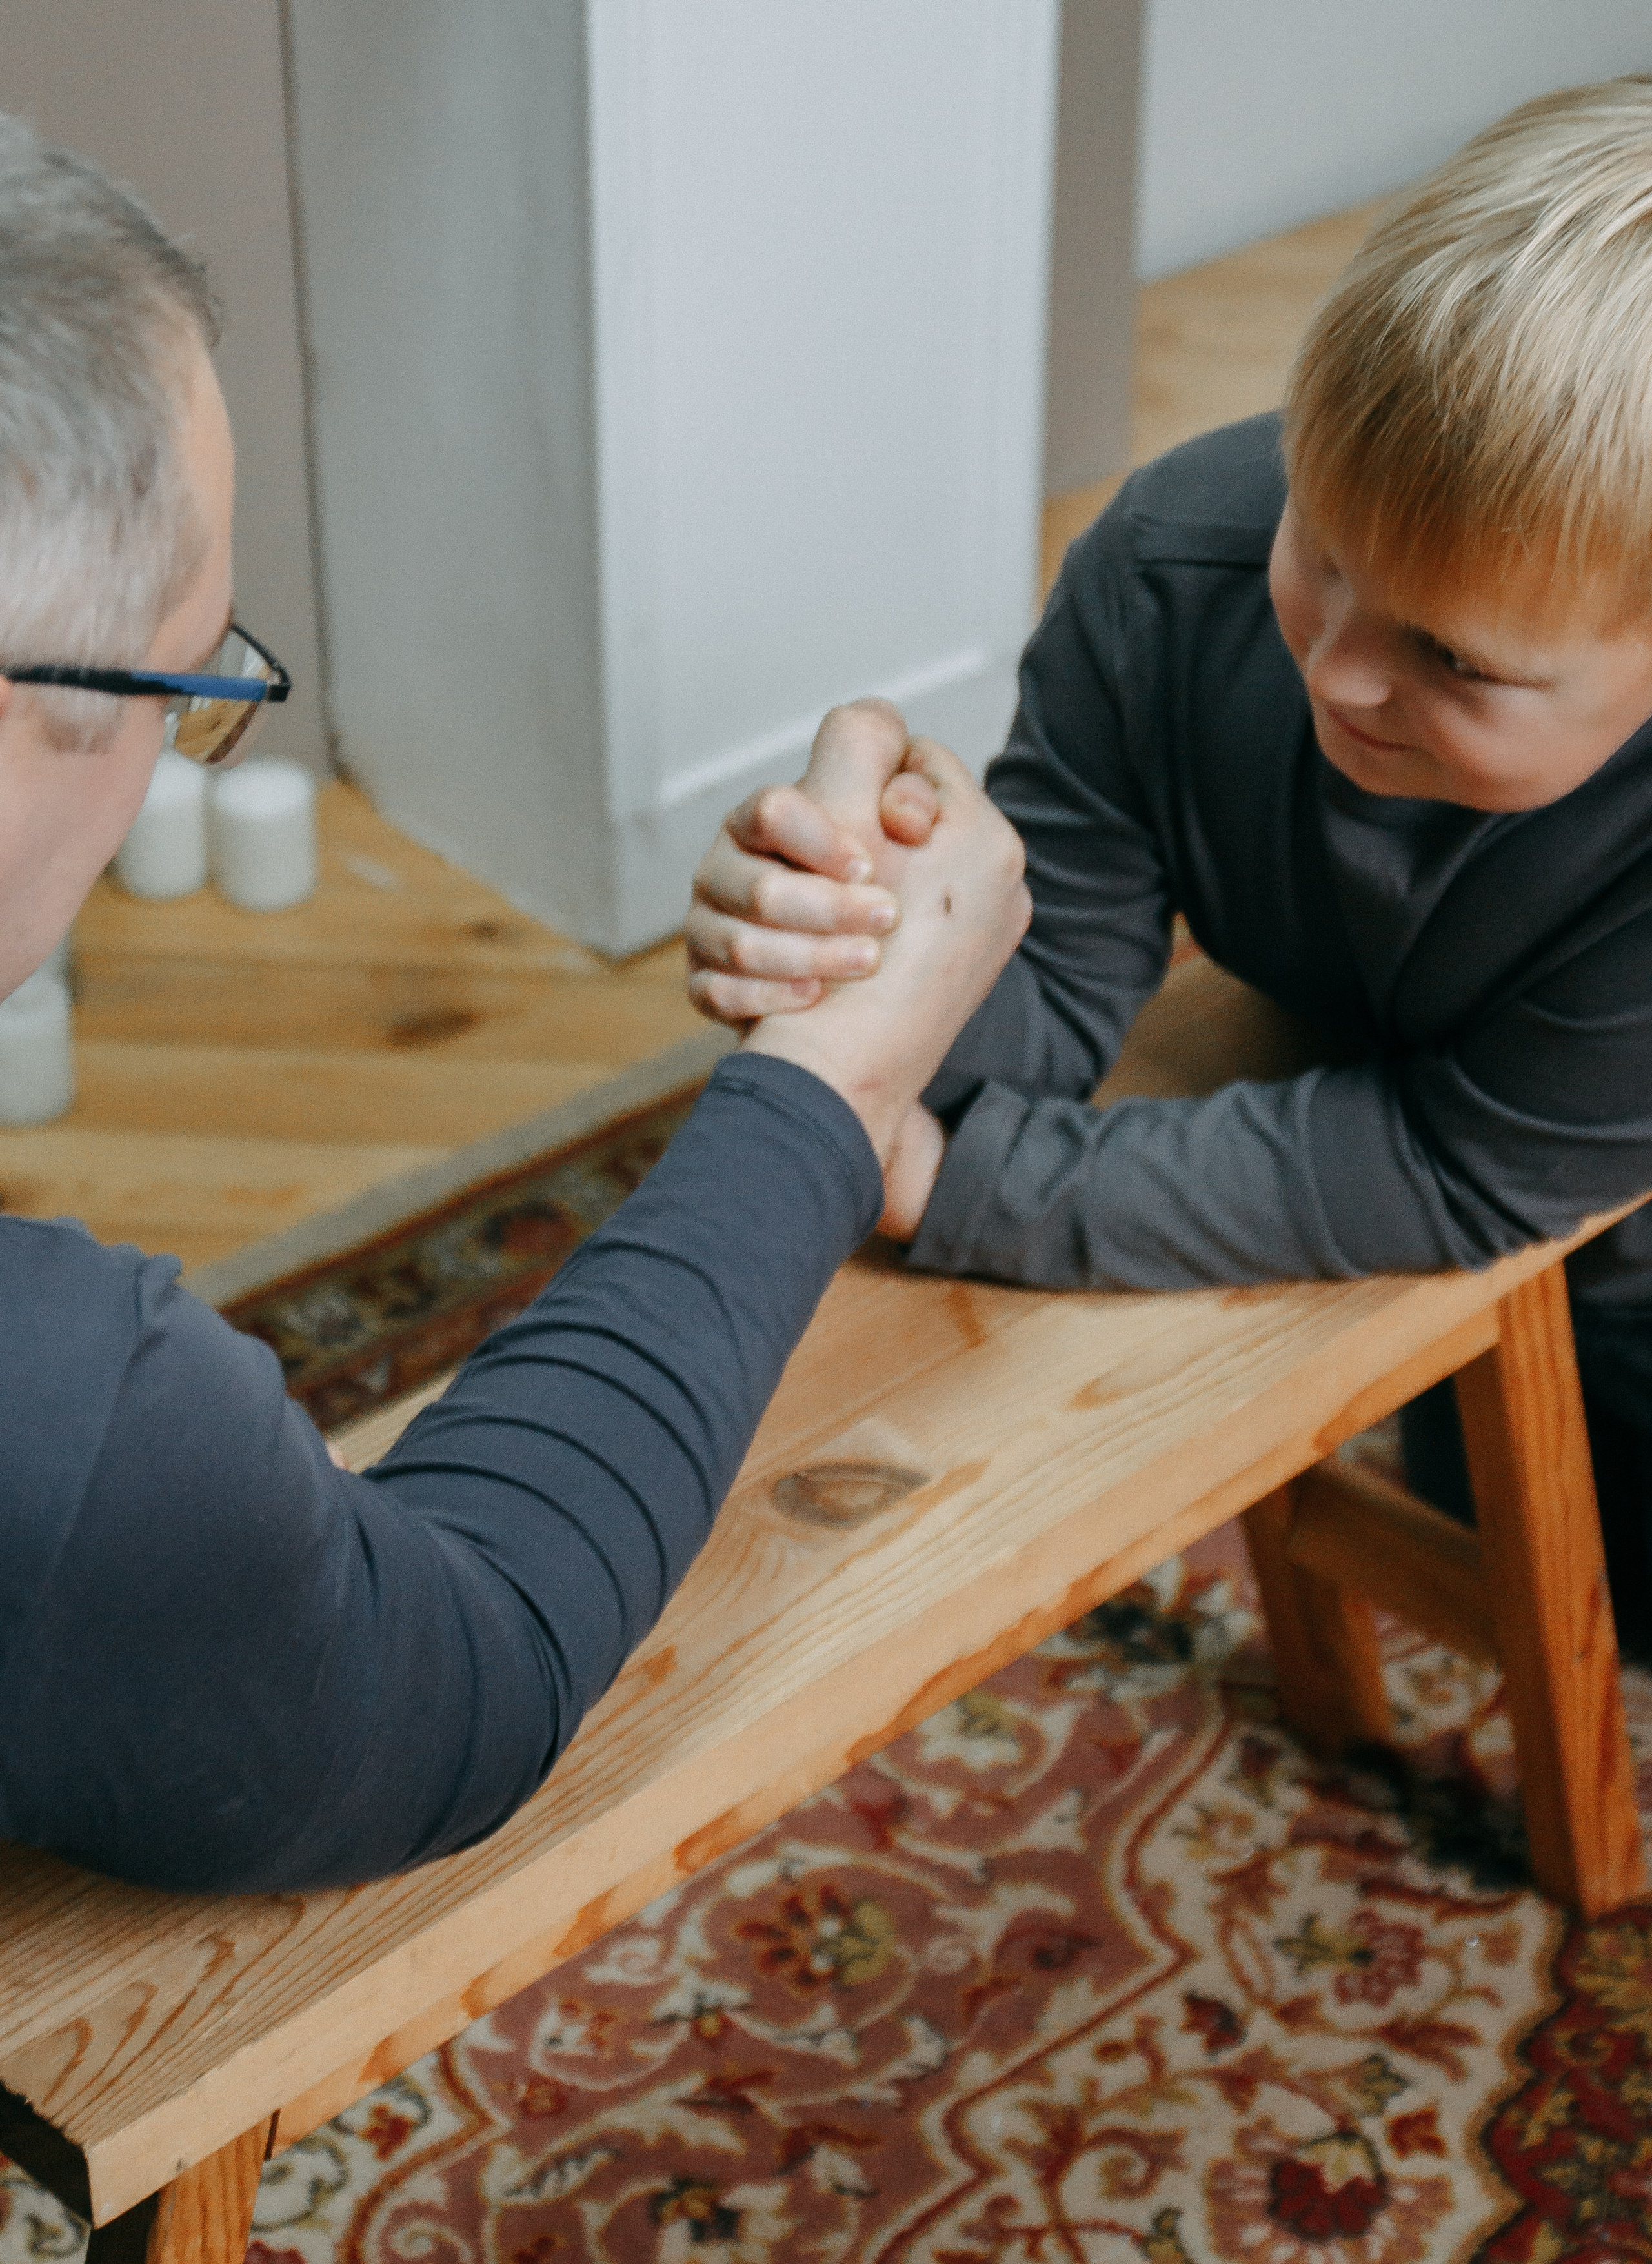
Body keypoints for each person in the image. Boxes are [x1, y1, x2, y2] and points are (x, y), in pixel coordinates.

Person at [0, 117, 1029, 1893]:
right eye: (192, 683)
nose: (185, 741)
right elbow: (463, 1666)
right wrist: (828, 1090)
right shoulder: (71, 1427)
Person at [685, 79, 1652, 1652]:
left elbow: (1461, 1167)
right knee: (1461, 1472)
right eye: (1319, 548)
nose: (1331, 670)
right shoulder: (1164, 572)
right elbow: (1056, 972)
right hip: (1457, 1055)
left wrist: (965, 1186)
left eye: (1449, 656)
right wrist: (867, 950)